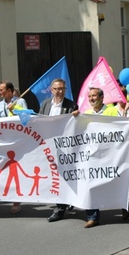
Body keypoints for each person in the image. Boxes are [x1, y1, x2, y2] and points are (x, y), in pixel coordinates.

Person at [39, 79, 79, 223]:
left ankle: (60, 208)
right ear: (51, 90)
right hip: (48, 144)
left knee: (62, 175)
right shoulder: (45, 104)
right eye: (57, 89)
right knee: (52, 175)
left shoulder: (71, 105)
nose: (60, 91)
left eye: (62, 89)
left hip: (64, 145)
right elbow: (39, 120)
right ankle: (65, 200)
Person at [82, 87, 119, 228]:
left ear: (102, 98)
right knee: (90, 185)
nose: (91, 99)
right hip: (93, 156)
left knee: (114, 182)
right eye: (90, 96)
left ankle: (123, 205)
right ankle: (92, 216)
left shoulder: (112, 111)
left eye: (94, 96)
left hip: (111, 154)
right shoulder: (86, 114)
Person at [0, 81, 27, 213]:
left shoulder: (20, 101)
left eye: (1, 90)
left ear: (10, 91)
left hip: (17, 139)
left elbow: (26, 118)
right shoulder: (0, 104)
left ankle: (16, 200)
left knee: (16, 172)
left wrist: (13, 111)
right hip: (4, 140)